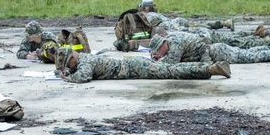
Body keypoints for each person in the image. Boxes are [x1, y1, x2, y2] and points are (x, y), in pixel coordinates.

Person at [55, 46, 231, 84]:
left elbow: (83, 77)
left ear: (72, 59)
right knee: (171, 70)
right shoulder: (83, 58)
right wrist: (64, 73)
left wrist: (67, 78)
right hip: (133, 66)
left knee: (171, 71)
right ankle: (209, 68)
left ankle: (210, 68)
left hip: (135, 68)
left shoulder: (85, 61)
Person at [150, 32, 270, 65]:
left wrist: (158, 61)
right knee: (249, 53)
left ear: (162, 44)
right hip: (216, 50)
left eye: (157, 51)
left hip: (218, 53)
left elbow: (171, 63)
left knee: (252, 57)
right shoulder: (173, 40)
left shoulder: (175, 44)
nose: (157, 54)